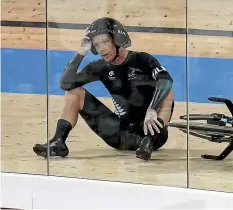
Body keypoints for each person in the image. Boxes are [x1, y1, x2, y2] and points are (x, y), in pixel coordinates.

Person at [33, 17, 175, 161]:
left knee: (167, 90)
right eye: (96, 44)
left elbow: (166, 80)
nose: (101, 49)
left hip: (153, 134)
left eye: (105, 42)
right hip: (120, 133)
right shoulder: (99, 67)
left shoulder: (142, 59)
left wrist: (152, 109)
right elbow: (66, 84)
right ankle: (58, 142)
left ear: (117, 40)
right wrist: (81, 53)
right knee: (74, 92)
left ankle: (147, 142)